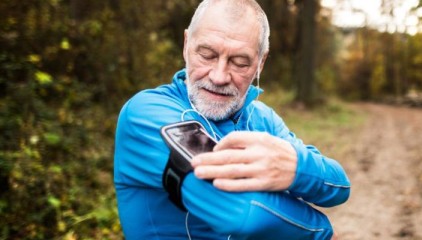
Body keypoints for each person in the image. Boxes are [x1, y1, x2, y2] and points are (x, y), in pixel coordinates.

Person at [113, 0, 350, 239]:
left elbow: (338, 186)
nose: (218, 76)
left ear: (261, 62)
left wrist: (297, 167)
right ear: (186, 45)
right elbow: (244, 212)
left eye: (240, 63)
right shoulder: (147, 113)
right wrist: (324, 233)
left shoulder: (263, 118)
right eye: (207, 55)